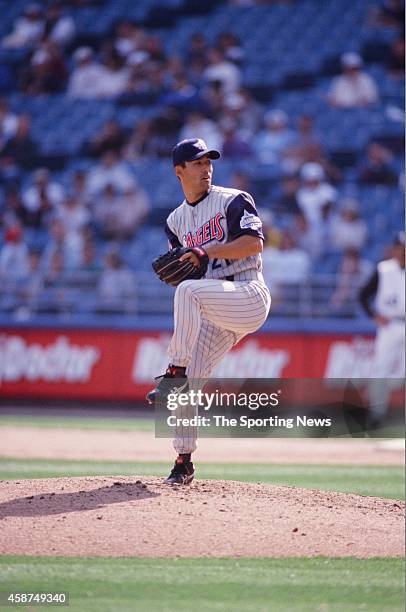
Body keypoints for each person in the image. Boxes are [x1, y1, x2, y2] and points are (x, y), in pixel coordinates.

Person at [146, 138, 271, 484]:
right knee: (190, 384)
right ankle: (183, 461)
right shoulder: (174, 221)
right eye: (198, 163)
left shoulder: (233, 199)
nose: (206, 168)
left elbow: (254, 243)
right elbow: (190, 272)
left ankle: (172, 372)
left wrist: (206, 251)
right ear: (179, 171)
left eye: (208, 162)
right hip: (215, 302)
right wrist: (192, 263)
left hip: (247, 292)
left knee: (188, 293)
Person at [359, 233, 405, 427]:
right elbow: (362, 295)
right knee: (380, 369)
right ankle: (376, 415)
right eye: (400, 247)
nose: (402, 252)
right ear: (394, 249)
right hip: (390, 325)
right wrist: (374, 315)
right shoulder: (383, 270)